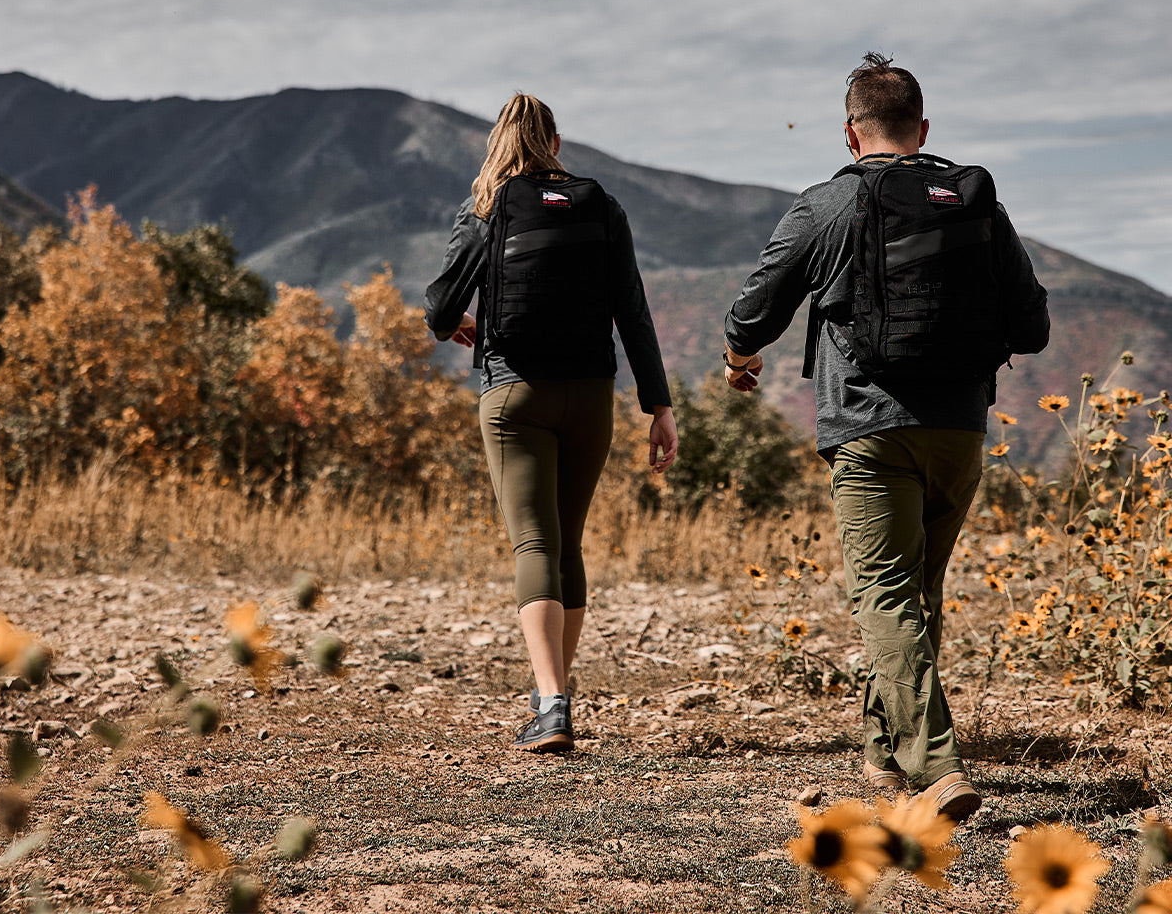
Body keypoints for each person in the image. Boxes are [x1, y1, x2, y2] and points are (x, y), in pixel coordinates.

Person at [722, 53, 1049, 821]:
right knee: (914, 596)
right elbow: (1031, 326)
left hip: (870, 429)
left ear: (849, 134)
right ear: (923, 129)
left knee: (885, 594)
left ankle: (936, 768)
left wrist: (741, 360)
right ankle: (886, 759)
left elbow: (752, 310)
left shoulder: (825, 206)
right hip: (961, 429)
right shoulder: (975, 204)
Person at [424, 93, 678, 753]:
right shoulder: (601, 206)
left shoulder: (486, 207)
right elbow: (633, 309)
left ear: (497, 146)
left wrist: (464, 326)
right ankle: (555, 695)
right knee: (568, 544)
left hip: (514, 394)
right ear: (556, 145)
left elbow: (439, 306)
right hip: (592, 394)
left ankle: (551, 704)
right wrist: (659, 404)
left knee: (533, 545)